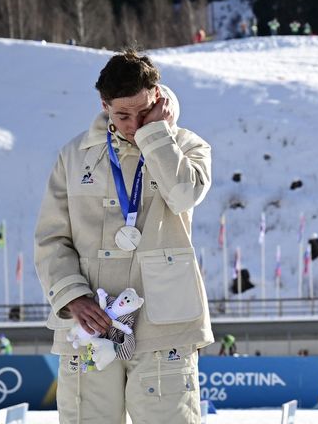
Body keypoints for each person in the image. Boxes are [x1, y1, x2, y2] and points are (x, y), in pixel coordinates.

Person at [35, 49, 213, 424]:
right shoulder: (74, 156)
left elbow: (183, 195)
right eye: (122, 116)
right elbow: (51, 239)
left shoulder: (188, 146)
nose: (133, 125)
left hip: (162, 324)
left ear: (157, 98)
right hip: (90, 326)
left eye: (143, 112)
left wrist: (156, 135)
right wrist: (73, 297)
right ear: (104, 105)